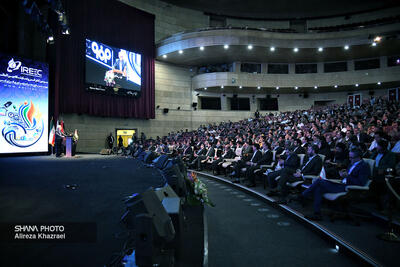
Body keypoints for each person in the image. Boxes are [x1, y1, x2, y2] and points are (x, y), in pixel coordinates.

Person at [300, 148, 370, 220]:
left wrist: (347, 176)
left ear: (358, 157)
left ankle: (304, 195)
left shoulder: (364, 166)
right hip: (341, 183)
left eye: (351, 157)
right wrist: (342, 174)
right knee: (319, 189)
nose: (349, 159)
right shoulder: (352, 163)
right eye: (349, 157)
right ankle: (317, 214)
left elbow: (361, 182)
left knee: (319, 181)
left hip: (349, 188)